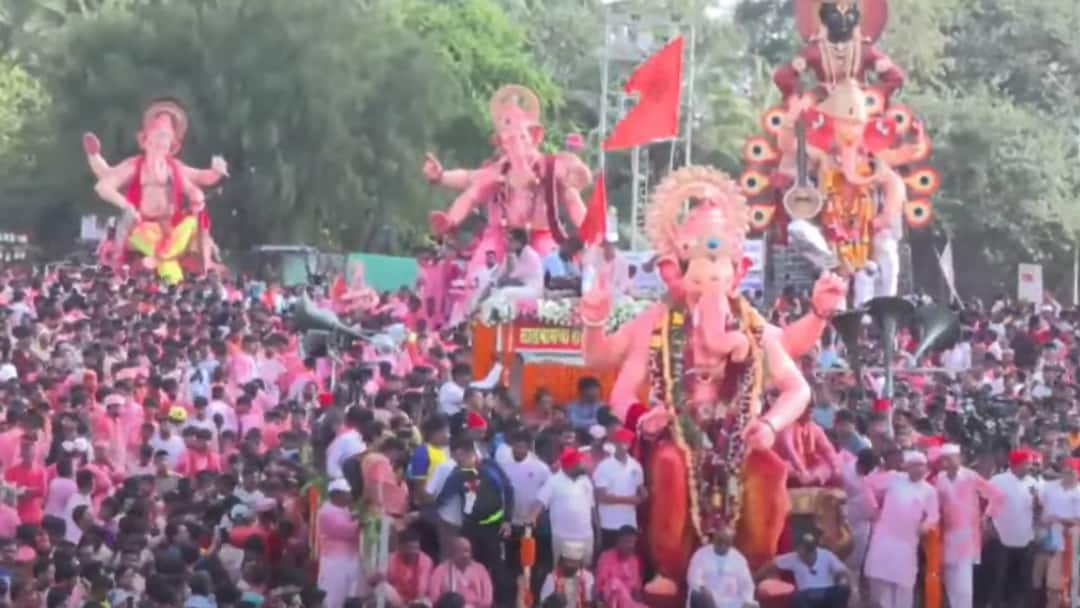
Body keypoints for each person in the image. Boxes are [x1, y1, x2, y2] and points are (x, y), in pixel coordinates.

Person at [863, 451, 940, 608]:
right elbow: (867, 483)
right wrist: (874, 507)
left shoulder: (929, 490)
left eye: (922, 466)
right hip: (885, 538)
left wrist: (925, 526)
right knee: (881, 581)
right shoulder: (894, 478)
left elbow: (934, 516)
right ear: (908, 467)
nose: (919, 469)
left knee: (904, 585)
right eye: (915, 466)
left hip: (907, 542)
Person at [935, 443, 1003, 608]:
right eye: (946, 459)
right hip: (948, 536)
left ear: (959, 458)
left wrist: (986, 516)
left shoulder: (970, 476)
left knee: (964, 585)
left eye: (952, 458)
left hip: (967, 536)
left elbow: (997, 495)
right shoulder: (940, 479)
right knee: (950, 582)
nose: (949, 462)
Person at [988, 449, 1039, 608]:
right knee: (999, 578)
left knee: (1022, 579)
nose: (1029, 467)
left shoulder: (1033, 482)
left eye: (1030, 463)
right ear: (1016, 464)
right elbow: (986, 503)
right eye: (1027, 463)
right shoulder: (998, 480)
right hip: (1002, 537)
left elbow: (1037, 508)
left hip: (1025, 538)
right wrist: (989, 525)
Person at [533, 447, 597, 564]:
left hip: (585, 536)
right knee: (562, 574)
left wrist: (597, 531)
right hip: (563, 538)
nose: (583, 464)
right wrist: (532, 517)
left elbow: (592, 508)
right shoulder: (553, 481)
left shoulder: (585, 480)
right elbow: (540, 502)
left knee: (584, 573)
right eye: (579, 462)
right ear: (570, 466)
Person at [757, 533, 850, 608]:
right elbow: (771, 564)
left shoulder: (826, 555)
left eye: (807, 552)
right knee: (798, 597)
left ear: (813, 550)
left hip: (827, 592)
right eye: (800, 551)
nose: (802, 555)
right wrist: (755, 578)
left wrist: (842, 580)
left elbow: (842, 571)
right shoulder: (794, 557)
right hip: (807, 595)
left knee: (843, 589)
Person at [592, 428, 645, 550]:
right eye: (621, 442)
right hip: (610, 523)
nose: (624, 446)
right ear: (615, 444)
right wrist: (629, 500)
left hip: (629, 523)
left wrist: (644, 495)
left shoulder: (636, 466)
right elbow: (601, 497)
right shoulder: (604, 466)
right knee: (608, 558)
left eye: (627, 442)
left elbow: (640, 490)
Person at [1039, 457, 1080, 608]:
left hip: (1073, 543)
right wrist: (1046, 520)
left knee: (1073, 584)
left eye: (1072, 472)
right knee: (1052, 584)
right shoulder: (1049, 487)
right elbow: (1040, 509)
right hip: (1050, 541)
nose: (1069, 474)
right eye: (1066, 471)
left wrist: (1060, 519)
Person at [317, 479, 364, 608]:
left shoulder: (342, 509)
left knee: (349, 595)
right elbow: (346, 531)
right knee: (334, 596)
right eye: (346, 493)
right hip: (335, 561)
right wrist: (360, 523)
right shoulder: (326, 512)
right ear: (336, 495)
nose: (350, 496)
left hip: (348, 559)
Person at [686, 525, 755, 608]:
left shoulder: (738, 558)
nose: (722, 544)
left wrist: (747, 600)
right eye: (720, 541)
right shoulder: (701, 554)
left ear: (731, 543)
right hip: (706, 599)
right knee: (698, 595)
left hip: (731, 601)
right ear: (714, 539)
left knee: (752, 606)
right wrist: (703, 589)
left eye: (726, 542)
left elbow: (747, 584)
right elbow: (693, 578)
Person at [426, 536, 493, 608]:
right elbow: (434, 596)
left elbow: (488, 597)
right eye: (461, 551)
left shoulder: (480, 569)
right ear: (452, 553)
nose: (465, 555)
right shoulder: (441, 570)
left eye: (467, 551)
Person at [594, 526, 646, 608]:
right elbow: (599, 588)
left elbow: (636, 590)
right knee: (615, 583)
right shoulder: (606, 557)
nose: (630, 545)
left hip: (629, 603)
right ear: (618, 541)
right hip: (610, 602)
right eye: (627, 541)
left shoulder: (634, 560)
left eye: (633, 542)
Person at [490, 228, 544, 304]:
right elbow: (501, 273)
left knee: (505, 292)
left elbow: (514, 275)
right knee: (494, 289)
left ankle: (500, 313)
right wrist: (495, 281)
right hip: (520, 285)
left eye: (510, 240)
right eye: (507, 239)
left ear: (520, 242)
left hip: (532, 288)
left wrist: (504, 278)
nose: (507, 242)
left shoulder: (530, 254)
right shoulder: (511, 254)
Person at [539, 540, 596, 608]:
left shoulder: (587, 577)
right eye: (568, 561)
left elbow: (589, 602)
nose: (570, 565)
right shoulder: (552, 577)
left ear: (580, 562)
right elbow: (544, 602)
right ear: (562, 560)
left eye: (574, 562)